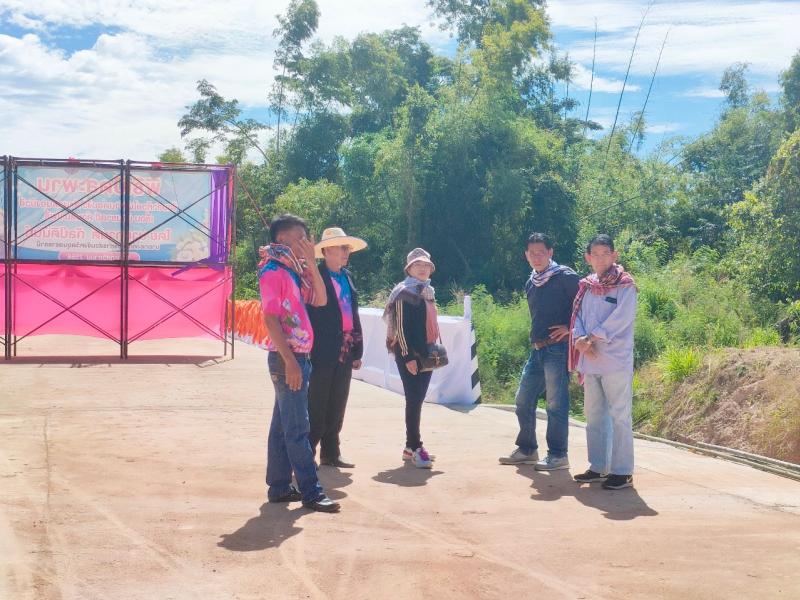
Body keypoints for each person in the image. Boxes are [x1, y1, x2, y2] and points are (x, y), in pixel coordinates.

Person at [259, 214, 340, 513]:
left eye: (308, 239)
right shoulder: (273, 271)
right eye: (300, 239)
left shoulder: (295, 271)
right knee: (297, 428)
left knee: (282, 426)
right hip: (288, 359)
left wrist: (312, 264)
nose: (306, 244)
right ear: (281, 239)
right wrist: (290, 361)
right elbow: (270, 319)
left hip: (297, 357)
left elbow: (321, 300)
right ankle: (311, 491)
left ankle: (279, 486)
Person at [499, 233, 579, 470]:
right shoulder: (531, 282)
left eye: (541, 252)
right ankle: (527, 449)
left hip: (558, 350)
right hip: (537, 350)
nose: (536, 257)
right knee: (523, 400)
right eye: (532, 253)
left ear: (550, 252)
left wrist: (571, 329)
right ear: (526, 255)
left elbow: (587, 306)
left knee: (555, 404)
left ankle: (558, 455)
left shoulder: (566, 277)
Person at [570, 234, 638, 490]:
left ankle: (623, 471)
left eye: (605, 254)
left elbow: (621, 319)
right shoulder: (587, 286)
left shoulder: (625, 285)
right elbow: (577, 317)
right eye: (595, 255)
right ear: (588, 258)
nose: (600, 259)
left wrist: (590, 338)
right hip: (590, 361)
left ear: (614, 255)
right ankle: (598, 467)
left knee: (620, 415)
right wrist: (580, 339)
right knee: (594, 415)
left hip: (615, 360)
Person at [307, 227, 368, 469]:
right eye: (342, 247)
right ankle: (307, 453)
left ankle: (331, 452)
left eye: (348, 248)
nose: (346, 252)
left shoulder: (347, 277)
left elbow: (353, 314)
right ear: (327, 251)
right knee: (317, 402)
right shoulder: (315, 276)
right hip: (322, 348)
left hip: (346, 346)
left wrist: (357, 350)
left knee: (338, 400)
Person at [383, 248, 441, 469]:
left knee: (417, 399)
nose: (423, 268)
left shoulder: (427, 291)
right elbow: (401, 328)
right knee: (414, 399)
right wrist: (408, 357)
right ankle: (416, 447)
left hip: (426, 351)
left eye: (426, 265)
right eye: (418, 265)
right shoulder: (404, 292)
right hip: (409, 353)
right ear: (409, 269)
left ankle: (410, 447)